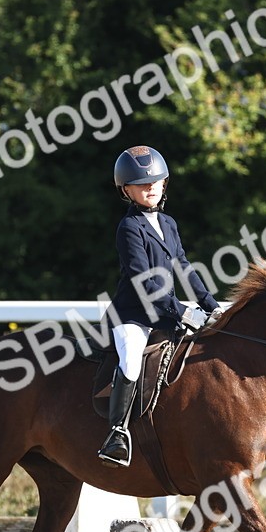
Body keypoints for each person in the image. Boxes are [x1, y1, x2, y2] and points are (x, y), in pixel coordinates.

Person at [97, 145, 222, 467]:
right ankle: (117, 434)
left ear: (164, 183)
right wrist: (181, 311)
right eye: (141, 184)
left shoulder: (167, 222)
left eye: (155, 182)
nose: (150, 188)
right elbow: (144, 283)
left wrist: (210, 304)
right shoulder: (129, 228)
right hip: (133, 314)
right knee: (132, 362)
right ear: (126, 190)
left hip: (164, 311)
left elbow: (183, 266)